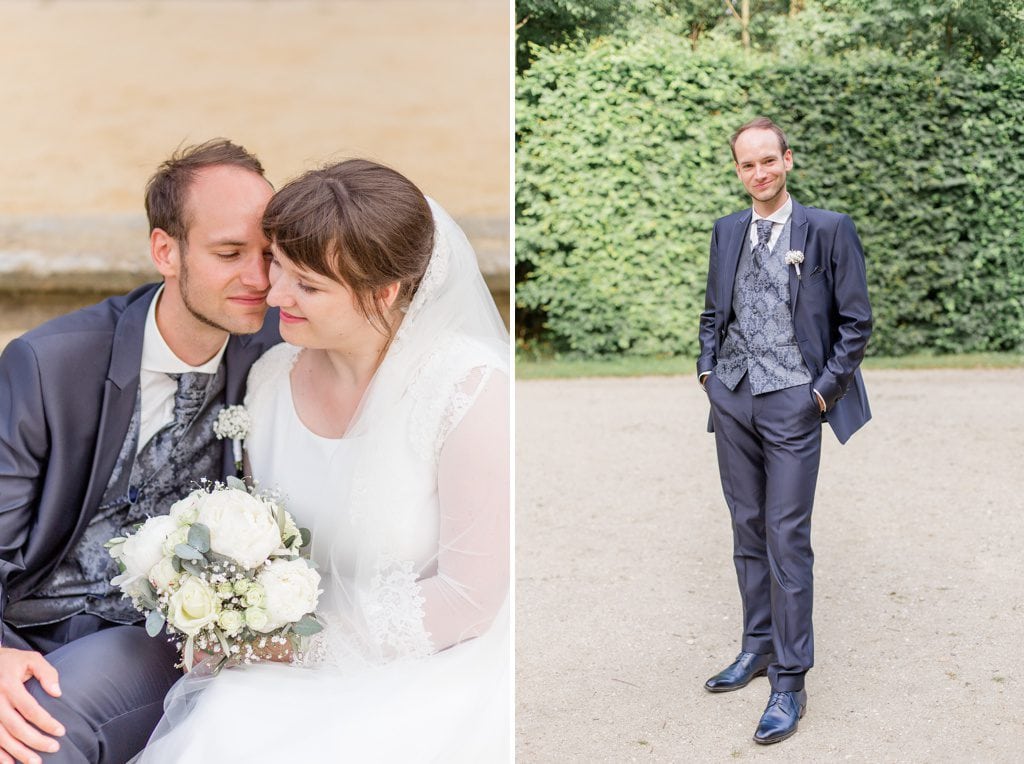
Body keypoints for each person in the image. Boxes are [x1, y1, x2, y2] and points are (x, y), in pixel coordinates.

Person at [136, 159, 510, 761]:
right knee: (227, 725)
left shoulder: (467, 390)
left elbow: (469, 601)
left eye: (307, 285)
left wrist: (287, 646)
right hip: (280, 662)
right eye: (278, 265)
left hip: (438, 663)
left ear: (384, 292)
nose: (273, 292)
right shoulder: (267, 379)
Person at [0, 139, 281, 764]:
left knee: (35, 737)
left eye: (270, 254)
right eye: (230, 253)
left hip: (155, 634)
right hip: (25, 621)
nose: (259, 279)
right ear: (166, 251)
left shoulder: (284, 356)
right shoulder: (50, 364)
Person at [696, 117, 872, 744]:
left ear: (788, 160)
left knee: (785, 535)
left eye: (769, 160)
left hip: (795, 400)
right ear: (738, 170)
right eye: (748, 165)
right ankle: (757, 647)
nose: (759, 173)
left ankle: (790, 681)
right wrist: (709, 373)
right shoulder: (726, 232)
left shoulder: (827, 229)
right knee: (746, 525)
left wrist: (820, 393)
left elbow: (856, 323)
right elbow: (715, 311)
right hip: (735, 396)